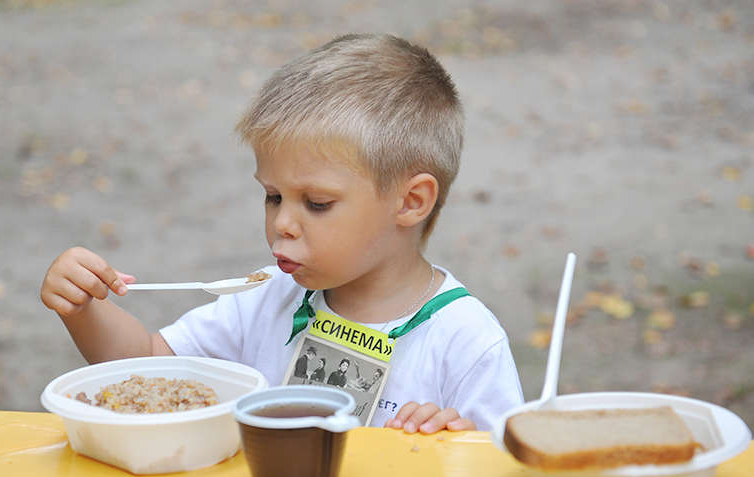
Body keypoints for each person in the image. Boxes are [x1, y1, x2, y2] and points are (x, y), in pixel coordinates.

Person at [40, 33, 523, 434]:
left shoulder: (465, 341)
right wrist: (83, 309)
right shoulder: (269, 296)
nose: (281, 224)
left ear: (411, 201)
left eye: (316, 203)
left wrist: (458, 446)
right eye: (273, 196)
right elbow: (148, 363)